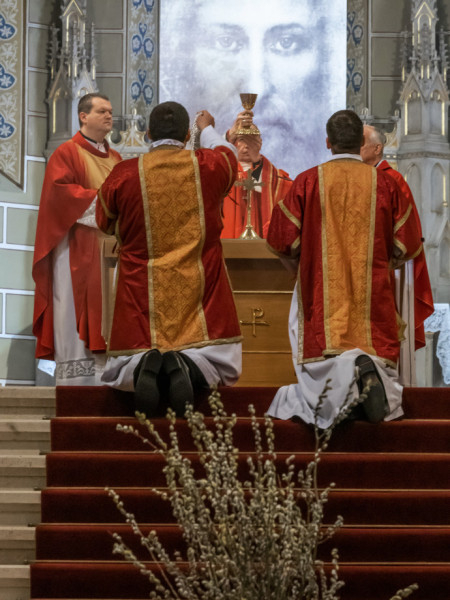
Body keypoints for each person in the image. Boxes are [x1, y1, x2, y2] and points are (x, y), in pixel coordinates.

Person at [265, 110, 424, 429]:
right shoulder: (385, 183)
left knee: (317, 369)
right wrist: (380, 262)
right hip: (372, 296)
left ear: (328, 142)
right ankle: (367, 373)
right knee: (374, 346)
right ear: (359, 143)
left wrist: (301, 265)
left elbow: (281, 239)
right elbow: (408, 244)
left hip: (321, 294)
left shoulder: (308, 181)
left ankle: (339, 395)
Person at [96, 101, 242, 417]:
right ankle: (186, 365)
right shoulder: (209, 166)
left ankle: (144, 365)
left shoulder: (124, 174)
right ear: (187, 136)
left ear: (148, 133)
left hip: (140, 291)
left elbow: (103, 221)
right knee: (216, 360)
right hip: (199, 286)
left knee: (130, 357)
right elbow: (230, 156)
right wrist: (208, 129)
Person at [159, 0, 346, 176]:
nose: (257, 88)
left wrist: (208, 129)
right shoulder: (198, 177)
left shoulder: (295, 184)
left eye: (286, 43)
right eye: (226, 42)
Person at [32, 93, 122, 385]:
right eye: (101, 111)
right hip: (75, 251)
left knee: (110, 314)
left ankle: (109, 380)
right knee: (73, 314)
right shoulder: (67, 153)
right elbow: (60, 196)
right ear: (83, 116)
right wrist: (109, 204)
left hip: (110, 254)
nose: (109, 116)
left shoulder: (116, 159)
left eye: (110, 111)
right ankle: (77, 385)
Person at [360, 124, 434, 384]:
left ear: (377, 148)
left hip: (390, 270)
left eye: (361, 142)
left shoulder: (392, 179)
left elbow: (406, 234)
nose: (356, 147)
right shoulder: (362, 176)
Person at [221, 111, 292, 238]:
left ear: (260, 143)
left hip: (263, 247)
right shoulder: (222, 175)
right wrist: (229, 135)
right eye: (242, 140)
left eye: (252, 140)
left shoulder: (280, 182)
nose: (247, 146)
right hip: (227, 244)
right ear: (233, 143)